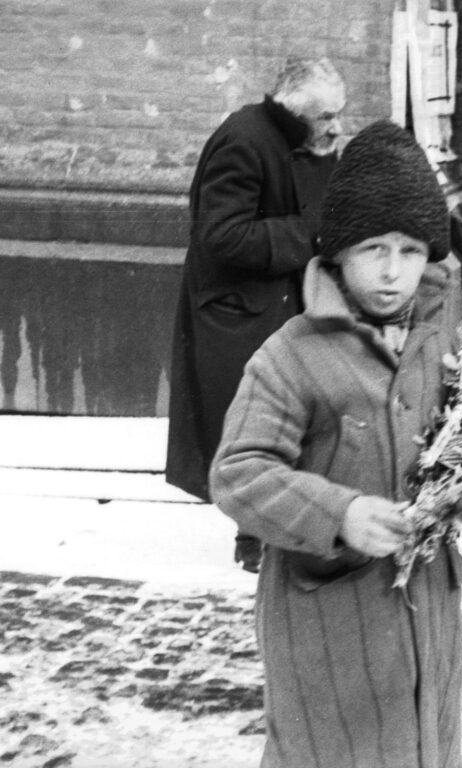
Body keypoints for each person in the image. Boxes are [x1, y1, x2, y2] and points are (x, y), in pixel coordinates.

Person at [209, 120, 462, 767]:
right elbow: (239, 473)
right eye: (373, 250)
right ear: (338, 253)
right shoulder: (290, 356)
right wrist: (340, 514)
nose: (394, 272)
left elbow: (460, 475)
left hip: (428, 624)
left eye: (411, 250)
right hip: (328, 630)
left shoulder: (443, 350)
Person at [165, 57, 345, 572]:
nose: (336, 127)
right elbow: (220, 235)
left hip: (293, 302)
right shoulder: (243, 140)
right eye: (325, 116)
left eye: (339, 113)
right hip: (240, 315)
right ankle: (255, 538)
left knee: (304, 415)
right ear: (292, 112)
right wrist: (310, 233)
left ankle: (291, 523)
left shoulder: (312, 141)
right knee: (257, 423)